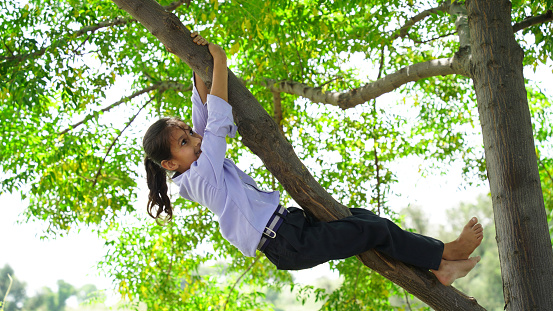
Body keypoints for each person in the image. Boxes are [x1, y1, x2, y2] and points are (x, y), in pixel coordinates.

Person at [142, 32, 484, 286]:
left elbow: (202, 116)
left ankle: (440, 266)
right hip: (289, 243)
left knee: (362, 218)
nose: (196, 138)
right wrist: (219, 59)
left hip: (288, 226)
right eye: (186, 141)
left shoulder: (196, 161)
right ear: (171, 164)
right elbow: (214, 122)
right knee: (373, 229)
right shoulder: (201, 177)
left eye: (190, 133)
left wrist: (197, 59)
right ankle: (447, 254)